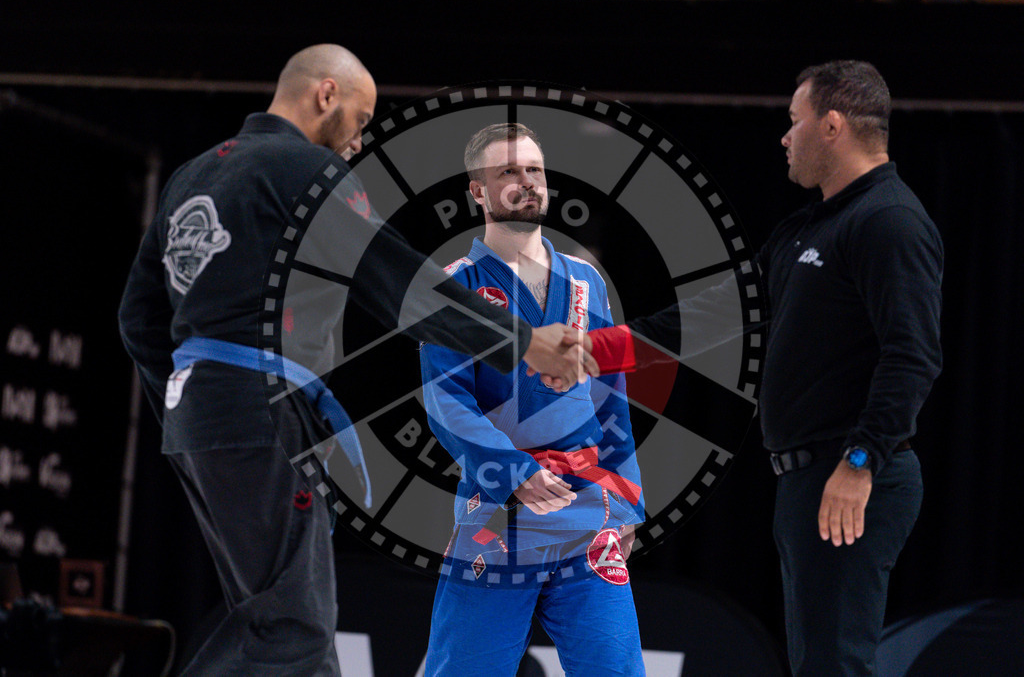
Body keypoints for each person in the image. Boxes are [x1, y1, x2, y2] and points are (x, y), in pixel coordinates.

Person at [118, 45, 594, 675]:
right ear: (325, 95)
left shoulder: (192, 175)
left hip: (199, 417)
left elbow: (139, 319)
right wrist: (523, 340)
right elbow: (396, 280)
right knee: (292, 630)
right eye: (361, 119)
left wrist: (190, 402)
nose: (359, 141)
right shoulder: (302, 169)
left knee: (280, 625)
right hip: (263, 412)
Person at [583, 61, 943, 676]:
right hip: (808, 476)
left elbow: (913, 356)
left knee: (835, 662)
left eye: (794, 121)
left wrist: (861, 462)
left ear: (832, 125)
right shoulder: (814, 224)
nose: (785, 136)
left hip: (850, 477)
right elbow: (721, 310)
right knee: (817, 661)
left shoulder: (888, 221)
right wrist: (600, 350)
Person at [419, 123, 646, 676]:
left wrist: (628, 496)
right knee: (464, 671)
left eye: (534, 170)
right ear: (477, 192)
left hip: (587, 509)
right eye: (508, 173)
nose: (527, 182)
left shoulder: (587, 282)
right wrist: (511, 469)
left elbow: (611, 396)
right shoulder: (455, 286)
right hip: (498, 511)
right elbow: (447, 400)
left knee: (616, 669)